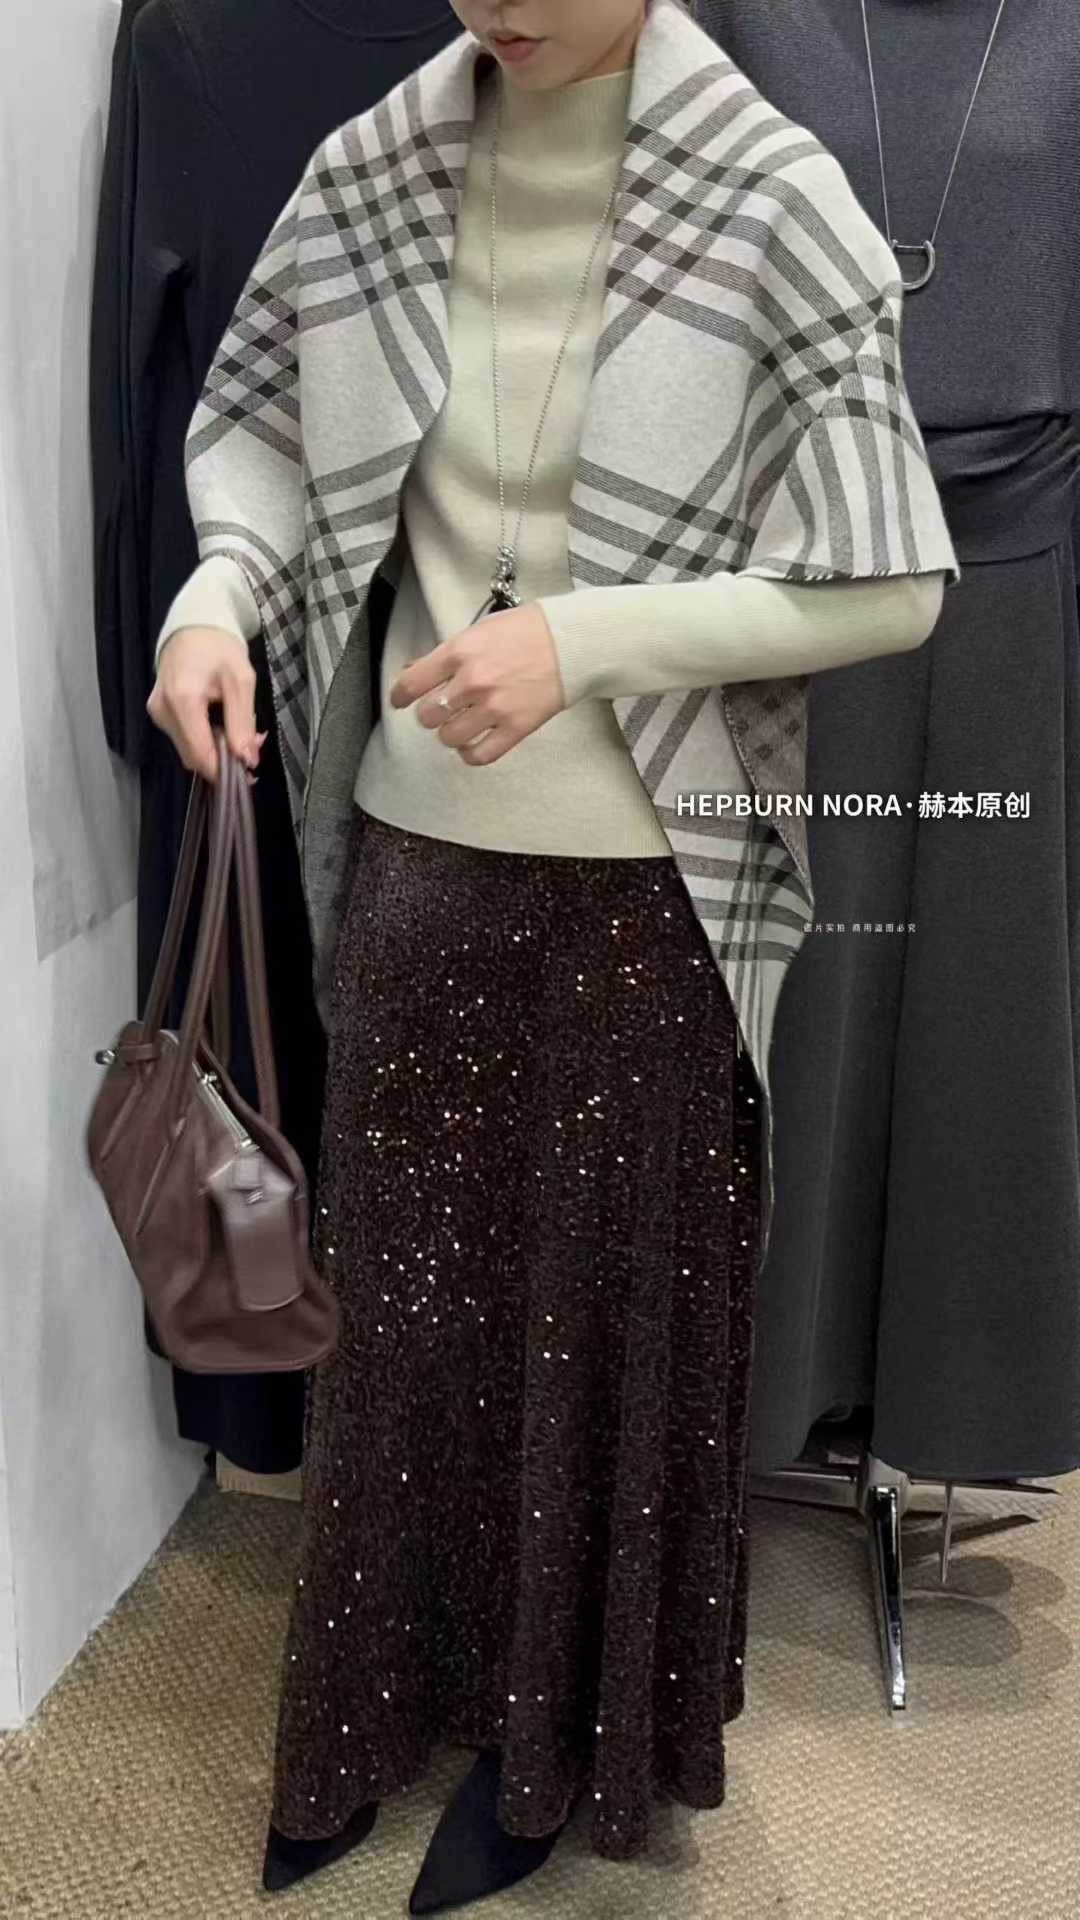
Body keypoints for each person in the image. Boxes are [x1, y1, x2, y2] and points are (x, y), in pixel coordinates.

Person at [147, 0, 957, 1910]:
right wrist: (215, 592)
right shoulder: (376, 168)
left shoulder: (770, 196)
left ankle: (550, 1752)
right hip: (413, 858)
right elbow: (260, 431)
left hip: (645, 891)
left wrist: (585, 645)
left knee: (595, 1341)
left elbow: (894, 580)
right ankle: (368, 1704)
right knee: (401, 1327)